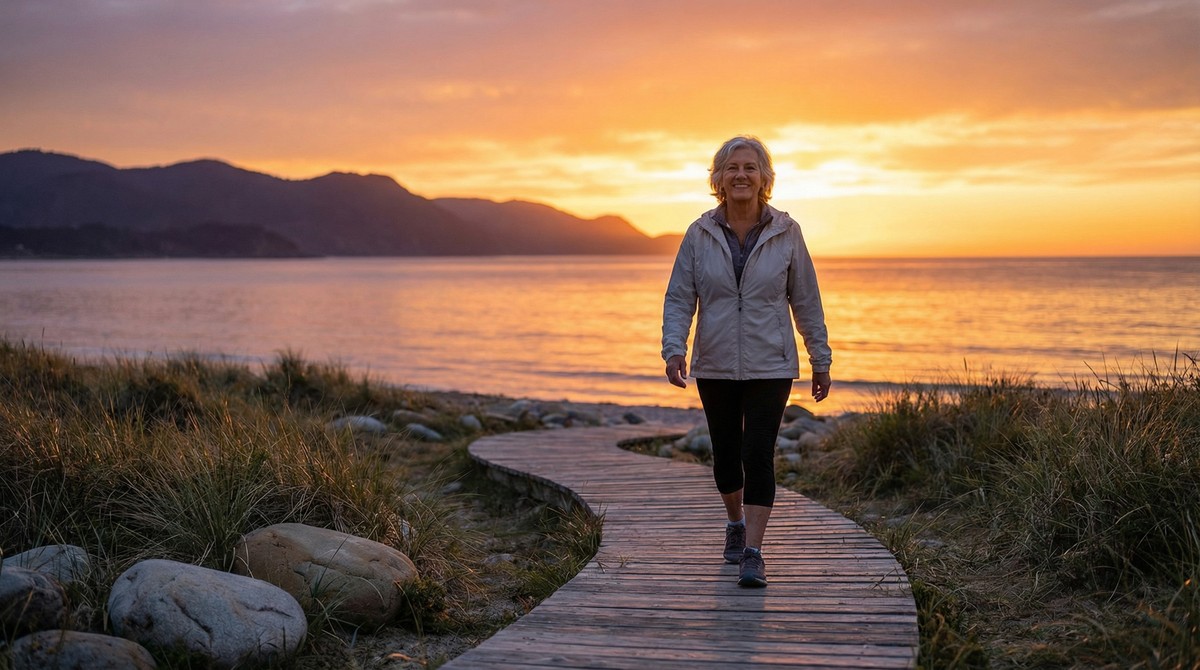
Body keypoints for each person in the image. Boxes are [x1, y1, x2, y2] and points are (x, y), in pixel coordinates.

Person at [661, 135, 832, 588]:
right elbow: (680, 297)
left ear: (764, 178)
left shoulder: (786, 232)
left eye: (750, 168)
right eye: (732, 167)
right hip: (714, 361)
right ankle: (734, 522)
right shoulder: (699, 234)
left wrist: (821, 357)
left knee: (758, 454)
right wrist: (674, 348)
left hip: (771, 363)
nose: (741, 175)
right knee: (725, 456)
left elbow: (806, 298)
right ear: (718, 178)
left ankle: (753, 552)